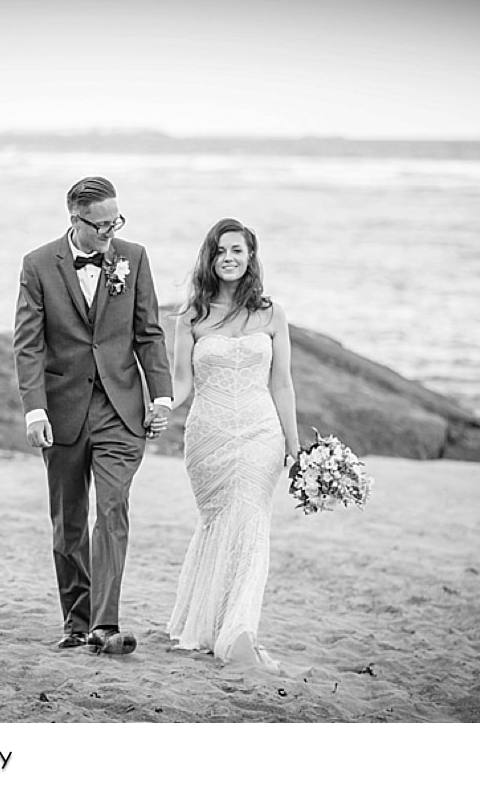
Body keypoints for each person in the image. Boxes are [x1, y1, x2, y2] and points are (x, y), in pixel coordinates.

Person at [13, 176, 173, 655]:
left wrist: (160, 396)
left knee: (111, 510)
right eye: (100, 225)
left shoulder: (134, 257)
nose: (109, 232)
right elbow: (28, 344)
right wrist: (34, 410)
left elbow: (149, 332)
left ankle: (104, 624)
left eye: (115, 222)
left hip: (120, 409)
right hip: (62, 411)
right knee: (69, 523)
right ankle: (76, 621)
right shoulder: (38, 265)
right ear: (74, 219)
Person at [166, 218, 300, 672]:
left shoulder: (271, 314)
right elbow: (183, 383)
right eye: (221, 250)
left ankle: (240, 632)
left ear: (250, 256)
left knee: (250, 525)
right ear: (210, 256)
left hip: (262, 433)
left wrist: (294, 447)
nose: (229, 257)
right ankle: (214, 626)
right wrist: (162, 406)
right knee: (220, 524)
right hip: (209, 437)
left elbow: (282, 384)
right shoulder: (191, 318)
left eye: (238, 250)